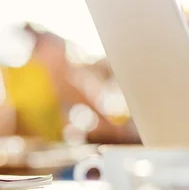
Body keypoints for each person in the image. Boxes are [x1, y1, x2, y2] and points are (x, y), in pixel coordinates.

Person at [0, 23, 138, 144]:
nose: (65, 59)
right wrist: (113, 127)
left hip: (34, 153)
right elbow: (75, 94)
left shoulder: (13, 73)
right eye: (62, 51)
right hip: (47, 157)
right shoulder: (44, 75)